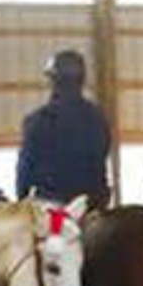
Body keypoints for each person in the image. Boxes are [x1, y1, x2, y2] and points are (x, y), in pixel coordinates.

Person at [15, 48, 112, 208]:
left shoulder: (37, 121)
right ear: (82, 80)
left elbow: (24, 174)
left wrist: (21, 204)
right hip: (91, 207)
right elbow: (101, 158)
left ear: (53, 81)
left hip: (52, 210)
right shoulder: (98, 119)